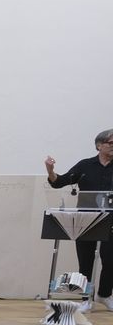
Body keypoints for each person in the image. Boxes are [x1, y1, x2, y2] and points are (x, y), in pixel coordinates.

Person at [47, 128, 113, 309]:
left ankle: (105, 295)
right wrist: (50, 170)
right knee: (85, 260)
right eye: (111, 143)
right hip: (87, 221)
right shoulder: (85, 166)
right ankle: (86, 299)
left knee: (110, 259)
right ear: (99, 145)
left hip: (111, 222)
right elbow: (59, 182)